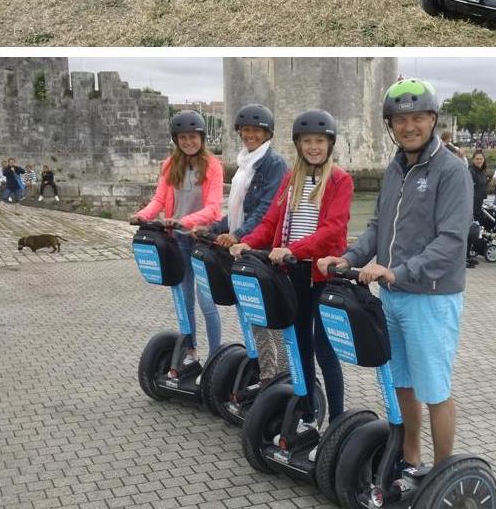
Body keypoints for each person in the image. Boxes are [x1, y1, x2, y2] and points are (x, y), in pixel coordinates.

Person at [318, 79, 472, 482]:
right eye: (400, 119)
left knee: (434, 389)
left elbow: (451, 243)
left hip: (430, 299)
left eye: (418, 117)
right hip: (391, 297)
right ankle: (411, 459)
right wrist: (348, 257)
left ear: (433, 120)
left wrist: (397, 271)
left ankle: (444, 476)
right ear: (390, 124)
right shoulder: (395, 168)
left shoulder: (452, 171)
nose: (409, 126)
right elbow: (377, 226)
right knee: (401, 381)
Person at [231, 109, 352, 429]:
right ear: (299, 144)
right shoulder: (291, 178)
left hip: (323, 274)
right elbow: (271, 221)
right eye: (307, 141)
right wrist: (248, 241)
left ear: (329, 144)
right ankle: (308, 412)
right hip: (293, 272)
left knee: (325, 349)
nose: (314, 147)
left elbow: (332, 229)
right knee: (299, 345)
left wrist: (292, 250)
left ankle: (338, 422)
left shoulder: (341, 180)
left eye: (320, 141)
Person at [132, 110, 225, 373]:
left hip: (203, 241)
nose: (188, 142)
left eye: (193, 137)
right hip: (178, 241)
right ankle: (191, 352)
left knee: (206, 303)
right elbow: (160, 200)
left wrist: (186, 221)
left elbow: (214, 207)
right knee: (185, 302)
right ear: (176, 139)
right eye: (183, 137)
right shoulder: (169, 165)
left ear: (201, 137)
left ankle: (216, 358)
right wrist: (142, 216)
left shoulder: (213, 166)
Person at [209, 104, 287, 250]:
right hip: (240, 243)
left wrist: (237, 234)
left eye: (256, 130)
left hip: (259, 245)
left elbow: (266, 208)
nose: (250, 135)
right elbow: (236, 209)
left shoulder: (275, 163)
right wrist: (211, 228)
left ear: (267, 134)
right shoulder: (245, 163)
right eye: (246, 130)